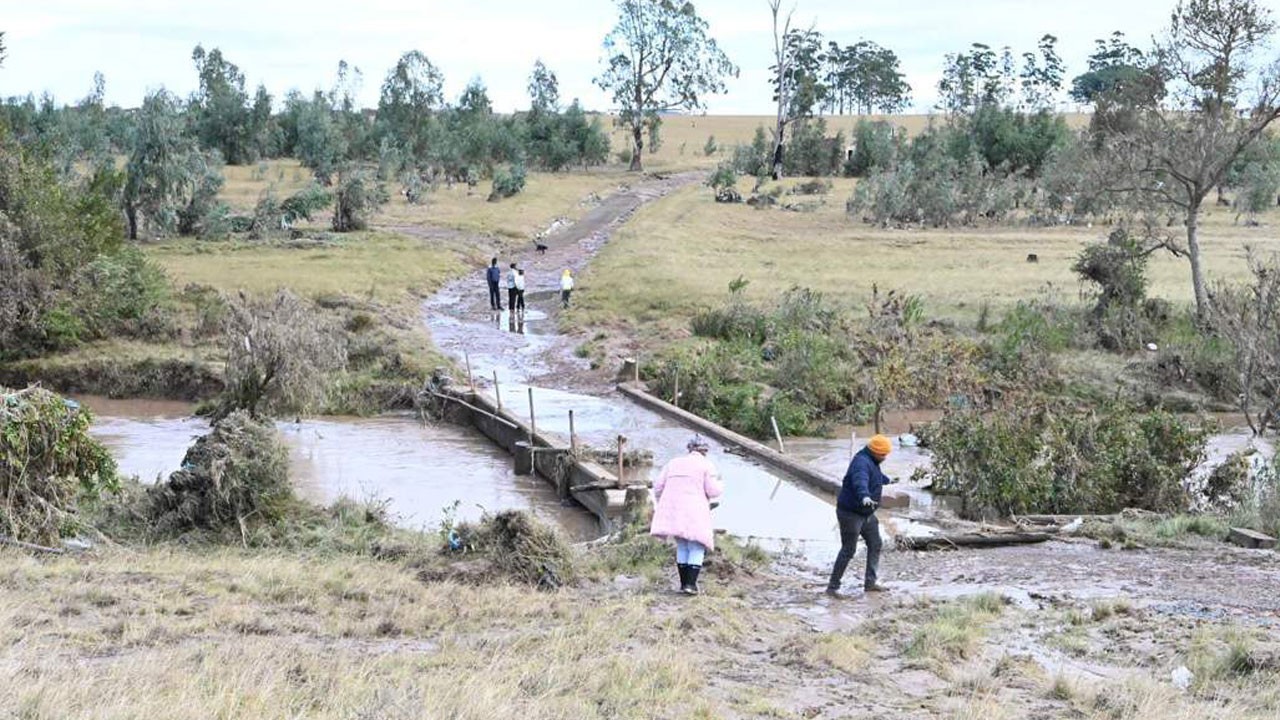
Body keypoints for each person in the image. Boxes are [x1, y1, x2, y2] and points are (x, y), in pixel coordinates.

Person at [650, 434, 723, 595]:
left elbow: (658, 486)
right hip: (695, 511)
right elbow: (713, 491)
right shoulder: (706, 465)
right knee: (696, 546)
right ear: (704, 451)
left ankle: (683, 584)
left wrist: (662, 503)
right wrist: (720, 482)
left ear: (689, 449)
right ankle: (690, 585)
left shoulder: (673, 463)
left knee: (682, 544)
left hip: (674, 510)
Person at [826, 434, 897, 598]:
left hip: (866, 513)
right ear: (875, 451)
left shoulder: (871, 460)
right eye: (883, 455)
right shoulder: (861, 463)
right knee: (849, 550)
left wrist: (887, 480)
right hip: (851, 513)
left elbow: (875, 475)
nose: (885, 458)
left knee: (876, 543)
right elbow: (860, 481)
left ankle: (870, 583)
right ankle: (832, 587)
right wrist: (864, 496)